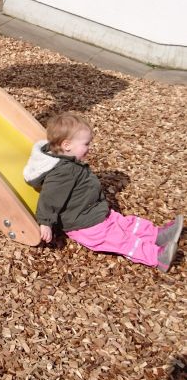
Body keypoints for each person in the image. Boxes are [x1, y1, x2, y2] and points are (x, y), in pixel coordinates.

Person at [23, 111, 183, 272]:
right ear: (67, 145)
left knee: (126, 223)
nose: (89, 148)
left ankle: (157, 235)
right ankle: (157, 257)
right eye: (86, 144)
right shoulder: (63, 171)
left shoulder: (69, 162)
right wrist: (45, 222)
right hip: (86, 225)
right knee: (120, 240)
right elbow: (49, 198)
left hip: (94, 212)